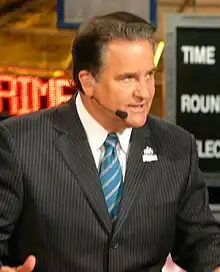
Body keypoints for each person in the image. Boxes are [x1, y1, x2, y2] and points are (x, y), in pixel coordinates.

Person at [0, 11, 220, 272]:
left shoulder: (177, 146)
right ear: (88, 82)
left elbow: (202, 241)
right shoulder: (20, 143)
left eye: (149, 75)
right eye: (128, 78)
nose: (145, 92)